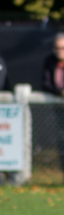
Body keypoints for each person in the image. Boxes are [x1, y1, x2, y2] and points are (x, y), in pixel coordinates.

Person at [41, 33, 64, 177]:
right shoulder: (50, 61)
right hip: (59, 110)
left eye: (63, 48)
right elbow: (45, 83)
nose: (59, 51)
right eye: (57, 48)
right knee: (62, 141)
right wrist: (59, 91)